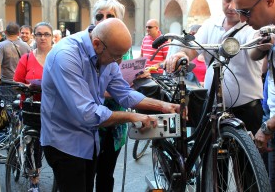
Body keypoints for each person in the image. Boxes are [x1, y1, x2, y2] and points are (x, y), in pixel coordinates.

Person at [40, 18, 180, 192]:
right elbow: (88, 113)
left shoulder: (105, 52)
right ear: (97, 44)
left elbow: (124, 92)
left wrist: (163, 106)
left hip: (89, 140)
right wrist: (131, 116)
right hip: (64, 143)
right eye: (116, 56)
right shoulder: (66, 55)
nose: (119, 62)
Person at [165, 0, 263, 135]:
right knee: (207, 152)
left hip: (246, 109)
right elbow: (192, 48)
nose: (231, 7)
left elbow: (255, 49)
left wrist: (261, 45)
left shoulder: (252, 25)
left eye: (236, 1)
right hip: (212, 107)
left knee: (246, 156)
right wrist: (181, 54)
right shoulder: (212, 23)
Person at [233, 0, 275, 191]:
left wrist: (269, 126)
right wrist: (262, 46)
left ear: (269, 1)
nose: (242, 19)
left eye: (246, 12)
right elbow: (254, 55)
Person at [91, 0, 133, 192]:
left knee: (106, 174)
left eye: (110, 16)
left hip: (115, 123)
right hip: (91, 123)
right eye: (100, 16)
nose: (104, 20)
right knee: (86, 173)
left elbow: (126, 82)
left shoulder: (125, 47)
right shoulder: (87, 46)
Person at [13, 21, 53, 192]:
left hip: (54, 109)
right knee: (32, 144)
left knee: (55, 145)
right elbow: (16, 83)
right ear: (34, 36)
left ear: (52, 37)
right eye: (39, 34)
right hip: (32, 107)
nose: (42, 37)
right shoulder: (27, 58)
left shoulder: (59, 56)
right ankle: (34, 180)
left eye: (46, 34)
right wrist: (27, 88)